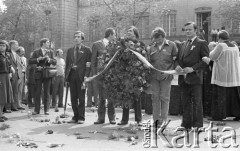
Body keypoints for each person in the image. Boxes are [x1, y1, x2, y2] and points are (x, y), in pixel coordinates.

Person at [175, 22, 209, 129]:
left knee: (197, 102)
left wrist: (192, 68)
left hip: (195, 78)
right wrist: (177, 66)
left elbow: (205, 61)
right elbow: (177, 60)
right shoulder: (183, 44)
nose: (188, 31)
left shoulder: (201, 43)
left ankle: (198, 125)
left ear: (195, 30)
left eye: (190, 29)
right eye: (186, 30)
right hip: (183, 78)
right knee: (185, 102)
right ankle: (186, 124)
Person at [202, 30, 240, 121]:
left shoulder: (221, 45)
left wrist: (207, 55)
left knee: (220, 96)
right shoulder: (235, 46)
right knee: (234, 96)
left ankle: (218, 115)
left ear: (219, 38)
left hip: (222, 75)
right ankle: (237, 114)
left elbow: (212, 57)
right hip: (234, 75)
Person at [148, 27, 178, 127]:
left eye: (160, 39)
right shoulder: (151, 47)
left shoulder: (172, 45)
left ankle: (163, 120)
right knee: (155, 98)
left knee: (165, 98)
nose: (158, 41)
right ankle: (156, 120)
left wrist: (169, 72)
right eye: (156, 39)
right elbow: (149, 61)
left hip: (166, 77)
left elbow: (176, 61)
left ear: (164, 37)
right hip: (154, 77)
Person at [117, 26, 143, 126]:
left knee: (137, 97)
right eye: (127, 30)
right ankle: (124, 119)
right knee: (125, 97)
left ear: (135, 33)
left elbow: (143, 57)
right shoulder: (123, 44)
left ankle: (138, 119)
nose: (128, 32)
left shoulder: (140, 44)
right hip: (125, 73)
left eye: (130, 31)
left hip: (136, 73)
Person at [65, 31, 91, 124]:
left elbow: (88, 65)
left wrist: (86, 77)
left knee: (81, 98)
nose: (76, 38)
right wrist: (66, 78)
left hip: (81, 77)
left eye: (78, 37)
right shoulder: (70, 50)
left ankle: (81, 117)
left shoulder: (87, 50)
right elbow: (67, 65)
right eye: (75, 37)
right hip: (72, 76)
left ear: (82, 39)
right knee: (73, 98)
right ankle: (75, 116)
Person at [92, 28, 116, 125]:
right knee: (101, 97)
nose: (115, 36)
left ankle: (112, 118)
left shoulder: (115, 45)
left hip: (112, 75)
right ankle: (100, 118)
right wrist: (95, 74)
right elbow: (93, 61)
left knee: (111, 97)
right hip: (101, 75)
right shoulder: (97, 44)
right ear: (110, 34)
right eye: (114, 34)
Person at [29, 38, 56, 115]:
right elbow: (30, 60)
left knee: (47, 92)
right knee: (38, 92)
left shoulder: (51, 52)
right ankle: (36, 110)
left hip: (47, 74)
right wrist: (38, 59)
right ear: (43, 43)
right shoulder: (36, 52)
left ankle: (46, 110)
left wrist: (49, 60)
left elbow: (55, 62)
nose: (49, 44)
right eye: (48, 42)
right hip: (38, 73)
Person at [5, 40, 24, 113]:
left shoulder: (16, 54)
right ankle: (7, 107)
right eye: (16, 44)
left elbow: (18, 65)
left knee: (15, 90)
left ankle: (14, 106)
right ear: (12, 45)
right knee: (9, 91)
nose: (18, 46)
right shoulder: (8, 54)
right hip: (10, 74)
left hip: (16, 75)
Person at [0, 40, 14, 122]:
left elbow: (9, 65)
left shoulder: (7, 55)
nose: (1, 47)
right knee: (0, 97)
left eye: (3, 45)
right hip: (0, 77)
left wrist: (10, 70)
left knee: (4, 98)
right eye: (0, 45)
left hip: (6, 77)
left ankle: (1, 114)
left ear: (6, 47)